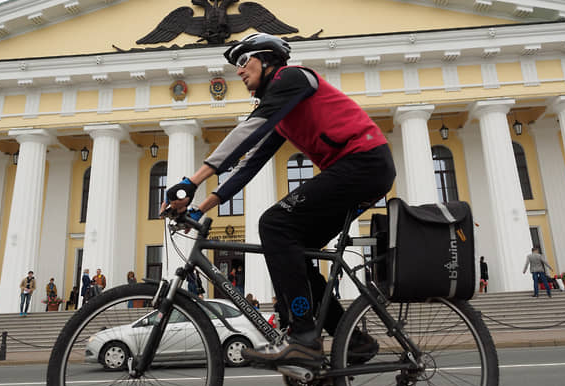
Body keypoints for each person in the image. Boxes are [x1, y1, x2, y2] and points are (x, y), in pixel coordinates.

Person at [163, 33, 394, 368]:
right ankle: (353, 340)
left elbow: (247, 132)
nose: (239, 72)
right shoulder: (283, 114)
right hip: (359, 173)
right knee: (293, 249)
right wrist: (199, 207)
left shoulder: (293, 78)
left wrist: (190, 182)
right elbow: (247, 167)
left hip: (364, 163)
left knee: (274, 223)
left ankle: (302, 336)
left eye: (244, 62)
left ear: (268, 60)